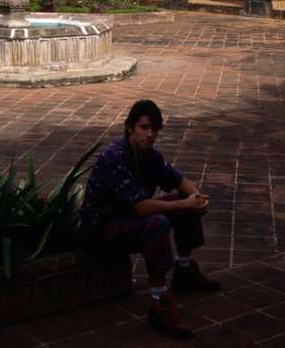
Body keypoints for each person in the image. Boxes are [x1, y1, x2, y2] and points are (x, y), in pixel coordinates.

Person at [80, 99, 220, 339]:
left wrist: (195, 197)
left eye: (154, 129)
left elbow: (178, 180)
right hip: (102, 228)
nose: (150, 134)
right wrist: (185, 202)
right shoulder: (115, 157)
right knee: (158, 222)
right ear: (129, 128)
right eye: (144, 127)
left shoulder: (150, 156)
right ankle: (159, 302)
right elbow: (142, 208)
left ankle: (184, 271)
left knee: (184, 206)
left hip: (129, 218)